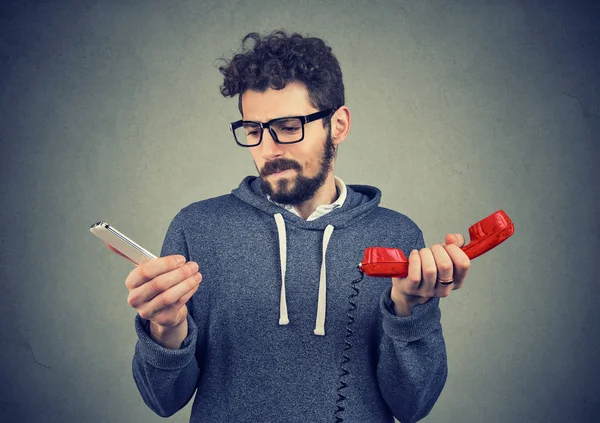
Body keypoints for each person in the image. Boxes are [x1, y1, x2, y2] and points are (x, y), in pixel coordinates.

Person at [113, 30, 471, 423]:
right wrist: (166, 329)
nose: (268, 150)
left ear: (338, 124)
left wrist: (409, 310)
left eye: (287, 127)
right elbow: (162, 402)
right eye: (253, 131)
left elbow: (413, 406)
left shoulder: (398, 238)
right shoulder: (197, 228)